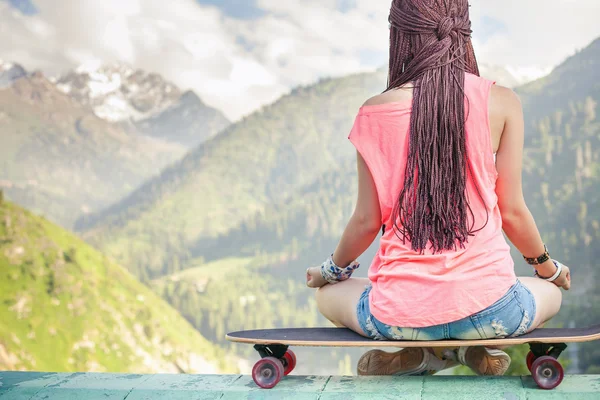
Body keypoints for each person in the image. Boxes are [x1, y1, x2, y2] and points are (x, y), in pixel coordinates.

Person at [306, 0, 571, 377]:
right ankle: (469, 351)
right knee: (549, 293)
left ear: (399, 35)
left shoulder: (373, 110)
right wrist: (549, 268)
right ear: (463, 30)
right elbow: (512, 211)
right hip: (493, 313)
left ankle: (423, 355)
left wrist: (329, 272)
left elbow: (366, 220)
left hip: (399, 320)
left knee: (329, 297)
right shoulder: (502, 102)